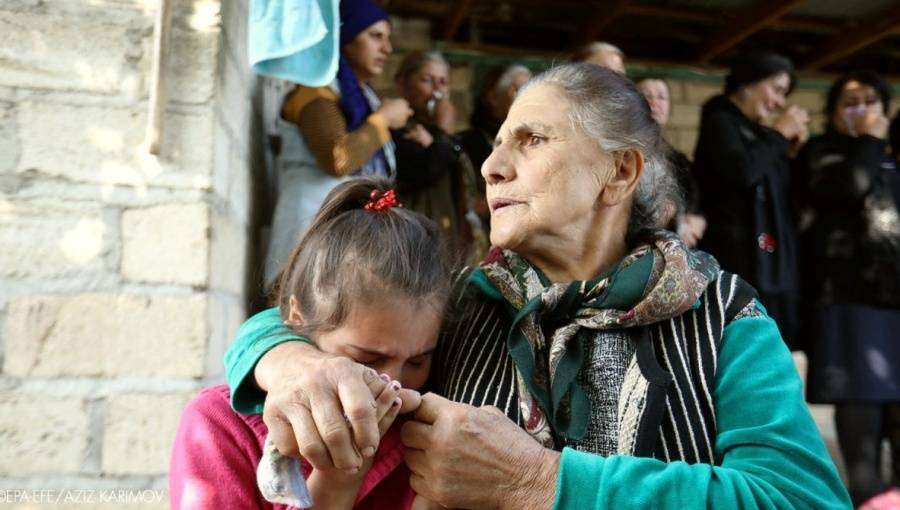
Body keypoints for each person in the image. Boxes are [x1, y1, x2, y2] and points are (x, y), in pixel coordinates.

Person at [224, 64, 849, 508]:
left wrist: (544, 483)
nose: (494, 167)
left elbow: (801, 499)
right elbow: (294, 324)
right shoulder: (467, 301)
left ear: (619, 170)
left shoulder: (721, 313)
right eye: (497, 144)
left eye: (532, 141)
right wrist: (292, 361)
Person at [170, 179, 453, 509]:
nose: (396, 384)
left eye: (418, 361)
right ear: (296, 315)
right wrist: (334, 485)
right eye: (369, 359)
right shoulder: (221, 428)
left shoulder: (430, 435)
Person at [796, 71, 900, 508]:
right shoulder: (821, 154)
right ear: (834, 111)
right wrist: (869, 142)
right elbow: (852, 185)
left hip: (894, 304)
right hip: (848, 305)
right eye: (849, 101)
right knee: (861, 433)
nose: (860, 108)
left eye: (869, 100)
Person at [262, 0, 413, 287]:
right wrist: (382, 121)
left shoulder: (363, 98)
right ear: (347, 35)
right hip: (308, 230)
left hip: (341, 240)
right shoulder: (315, 87)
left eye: (387, 38)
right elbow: (338, 159)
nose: (387, 49)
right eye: (375, 36)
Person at [693, 52, 808, 349]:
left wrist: (791, 153)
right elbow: (741, 172)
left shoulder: (761, 134)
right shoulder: (720, 122)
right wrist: (779, 135)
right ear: (747, 83)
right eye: (776, 89)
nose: (780, 102)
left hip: (769, 262)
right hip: (737, 261)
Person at [391, 50, 488, 262]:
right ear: (402, 85)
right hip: (414, 241)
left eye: (443, 82)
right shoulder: (397, 129)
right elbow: (424, 171)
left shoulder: (444, 135)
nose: (437, 91)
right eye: (427, 80)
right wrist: (444, 130)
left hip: (450, 239)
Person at [458, 63, 532, 230]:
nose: (527, 99)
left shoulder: (534, 143)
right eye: (519, 91)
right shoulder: (467, 143)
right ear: (492, 97)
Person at [636, 76, 706, 247]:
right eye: (646, 95)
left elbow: (696, 200)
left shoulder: (679, 160)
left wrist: (695, 219)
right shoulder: (625, 154)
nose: (654, 102)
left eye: (661, 97)